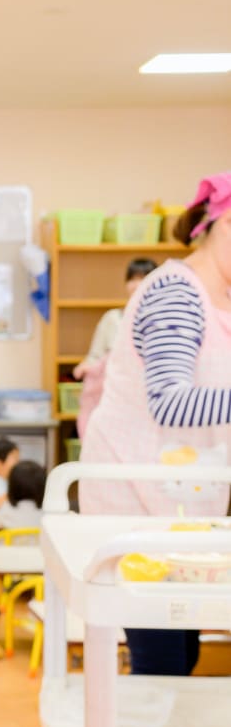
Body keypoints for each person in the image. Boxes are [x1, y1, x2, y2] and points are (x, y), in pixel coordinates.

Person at [80, 172, 231, 676]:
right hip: (137, 504)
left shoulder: (215, 300)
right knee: (162, 656)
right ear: (223, 225)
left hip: (176, 502)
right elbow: (170, 401)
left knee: (181, 650)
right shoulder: (175, 293)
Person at [72, 257, 159, 436]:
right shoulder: (113, 318)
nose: (136, 284)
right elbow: (95, 356)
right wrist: (85, 366)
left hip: (146, 400)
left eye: (143, 278)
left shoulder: (163, 320)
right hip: (112, 396)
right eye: (132, 279)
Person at [0, 459, 46, 529]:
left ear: (12, 486)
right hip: (38, 540)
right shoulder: (45, 513)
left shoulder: (6, 509)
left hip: (10, 539)